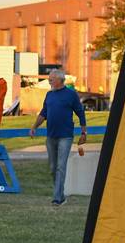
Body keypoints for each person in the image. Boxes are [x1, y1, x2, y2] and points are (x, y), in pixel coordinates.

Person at [29, 69, 87, 206]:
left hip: (65, 136)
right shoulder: (49, 95)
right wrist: (34, 127)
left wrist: (84, 132)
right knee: (53, 167)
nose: (49, 81)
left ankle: (56, 198)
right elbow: (43, 113)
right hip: (51, 136)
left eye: (51, 79)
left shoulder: (71, 95)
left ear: (60, 80)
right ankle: (60, 196)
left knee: (61, 166)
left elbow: (80, 113)